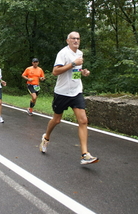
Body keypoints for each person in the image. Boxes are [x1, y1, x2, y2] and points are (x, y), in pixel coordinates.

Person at [39, 31, 99, 165]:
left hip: (76, 91)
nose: (76, 41)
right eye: (73, 39)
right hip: (62, 92)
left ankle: (85, 154)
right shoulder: (63, 53)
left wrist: (83, 72)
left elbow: (75, 72)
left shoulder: (80, 53)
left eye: (78, 38)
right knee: (57, 119)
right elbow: (55, 72)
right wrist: (73, 64)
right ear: (68, 41)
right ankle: (46, 137)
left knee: (83, 120)